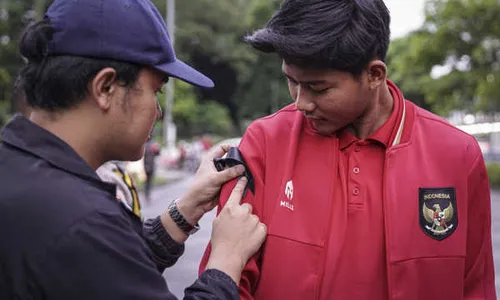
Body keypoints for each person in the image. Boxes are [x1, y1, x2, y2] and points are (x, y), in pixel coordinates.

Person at [199, 0, 496, 299]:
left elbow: (474, 286)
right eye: (291, 81)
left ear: (374, 75)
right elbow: (226, 280)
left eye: (318, 88)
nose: (301, 102)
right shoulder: (264, 143)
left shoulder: (456, 155)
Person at [0, 0, 266, 299]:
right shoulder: (82, 221)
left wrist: (185, 210)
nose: (158, 111)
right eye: (156, 90)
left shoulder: (20, 171)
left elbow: (102, 274)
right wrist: (227, 260)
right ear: (105, 88)